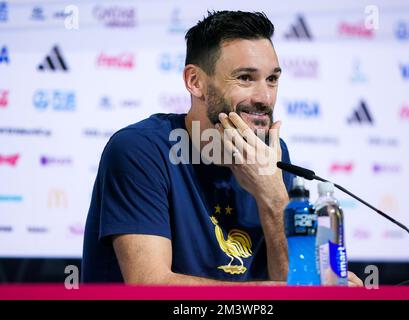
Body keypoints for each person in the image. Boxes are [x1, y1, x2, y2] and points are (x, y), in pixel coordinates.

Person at [82, 10, 363, 286]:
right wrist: (269, 293)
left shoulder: (273, 154)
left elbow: (294, 282)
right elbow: (149, 284)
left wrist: (273, 194)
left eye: (272, 79)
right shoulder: (139, 149)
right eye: (245, 78)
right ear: (196, 82)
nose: (265, 97)